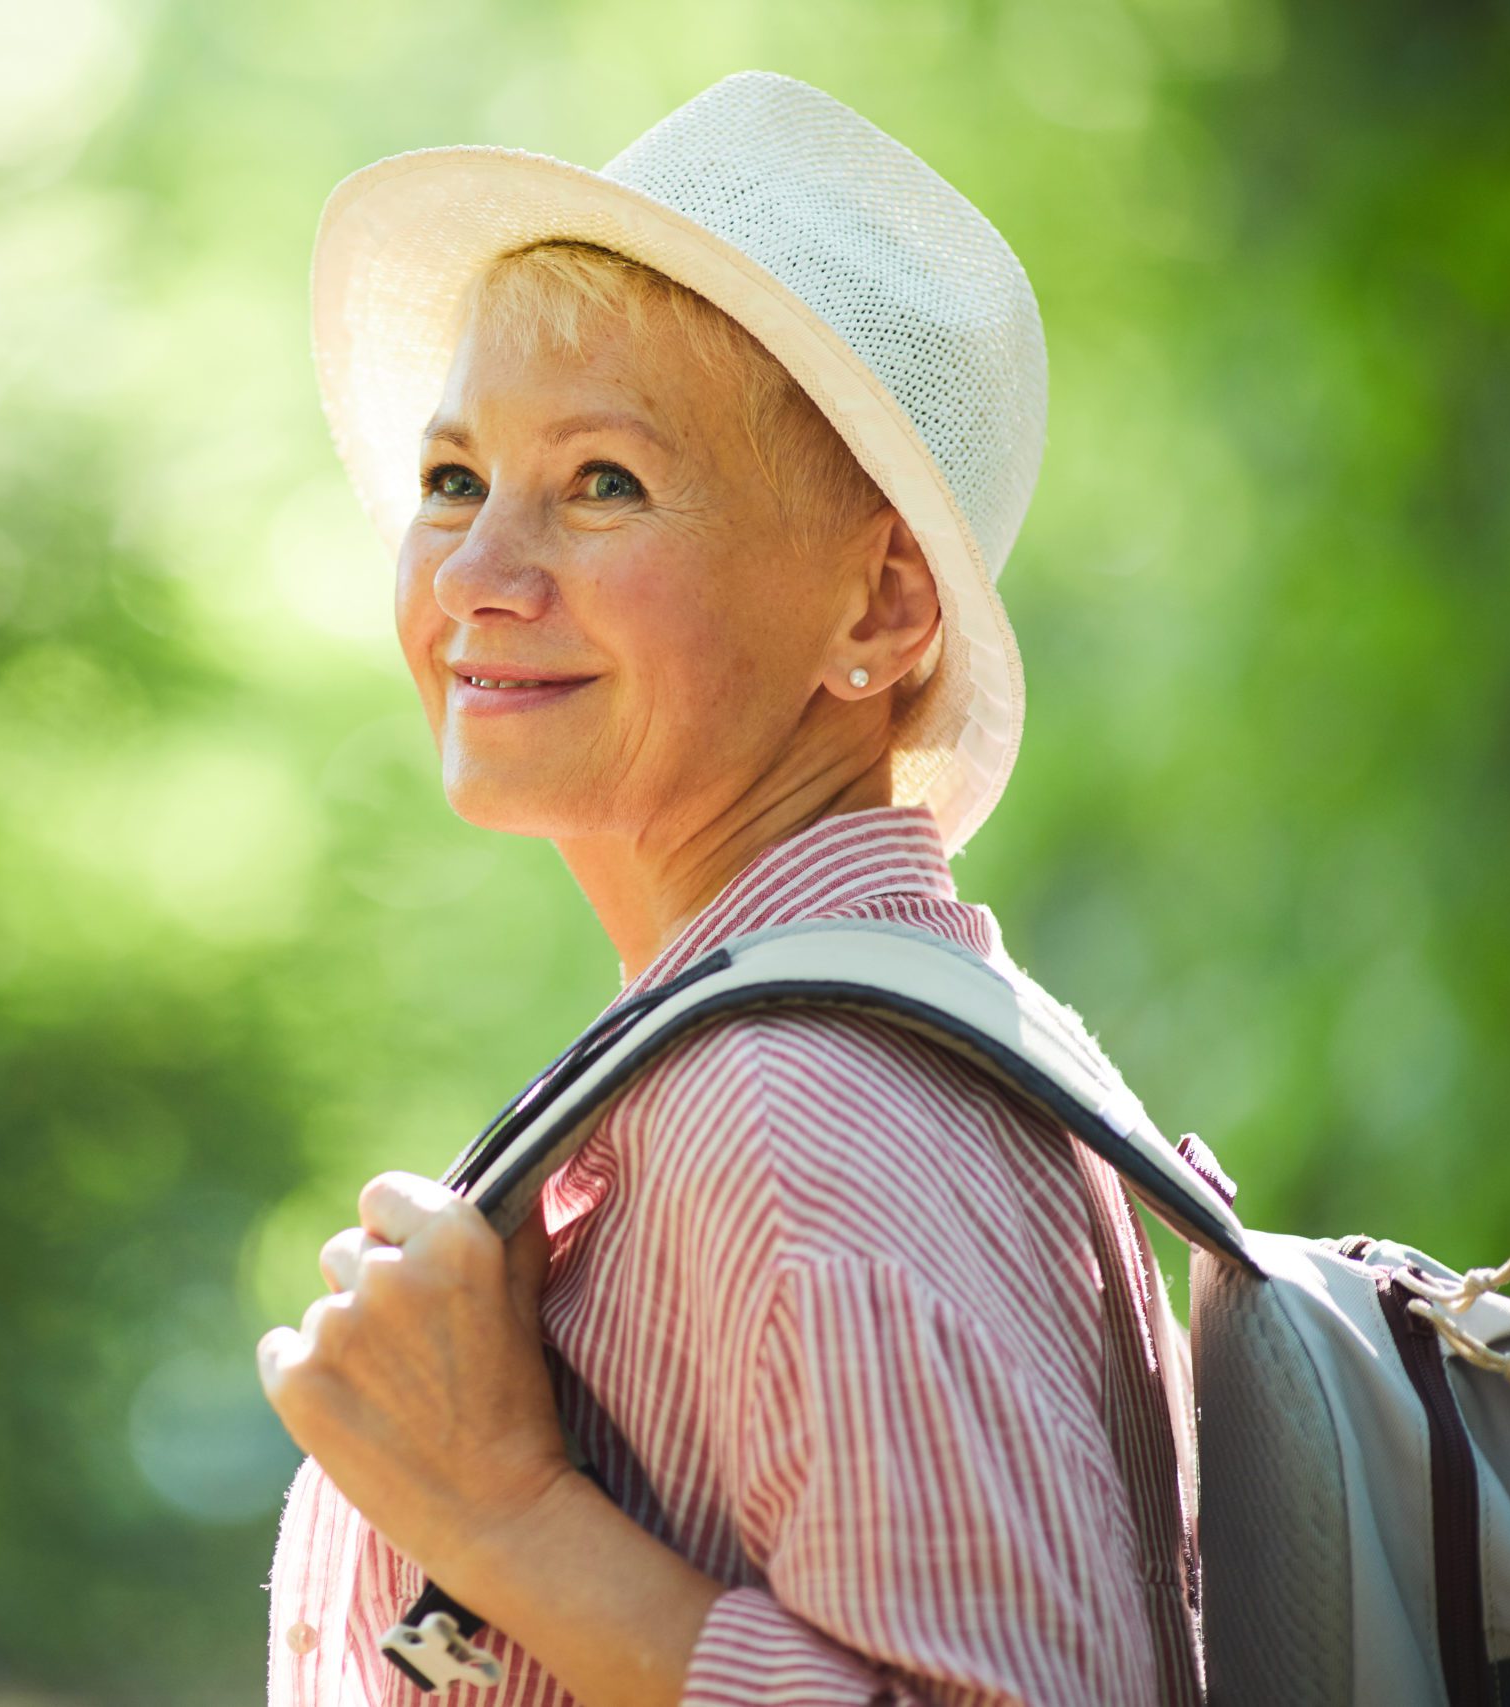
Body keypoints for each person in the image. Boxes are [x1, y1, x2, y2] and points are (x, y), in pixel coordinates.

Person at [254, 72, 1202, 1707]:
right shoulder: (786, 1047)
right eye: (455, 478)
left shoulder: (802, 1107)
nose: (475, 574)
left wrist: (500, 1512)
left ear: (880, 609)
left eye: (603, 482)